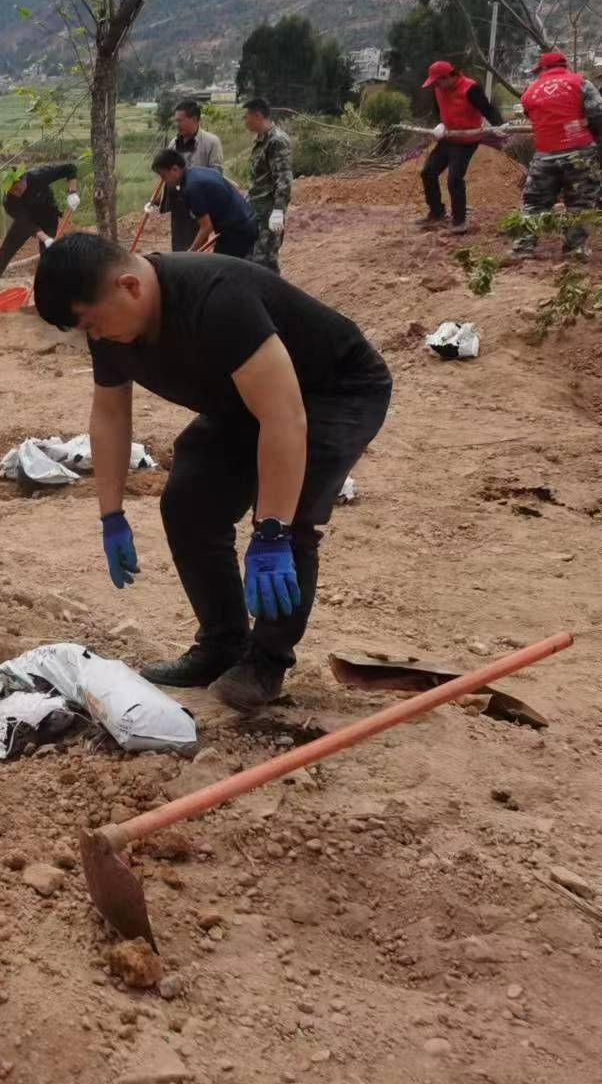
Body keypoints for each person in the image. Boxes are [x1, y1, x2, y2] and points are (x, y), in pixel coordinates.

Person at [32, 234, 391, 712]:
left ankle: (265, 664)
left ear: (129, 286)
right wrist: (111, 514)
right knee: (189, 503)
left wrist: (270, 532)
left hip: (332, 390)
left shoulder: (217, 299)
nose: (94, 338)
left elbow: (285, 418)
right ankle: (222, 644)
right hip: (244, 400)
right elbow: (111, 415)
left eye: (93, 325)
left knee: (290, 517)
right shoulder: (113, 326)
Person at [514, 49, 602, 259]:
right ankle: (574, 249)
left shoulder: (530, 91)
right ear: (564, 66)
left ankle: (525, 246)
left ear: (544, 68)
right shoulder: (581, 83)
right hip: (580, 151)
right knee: (580, 202)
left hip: (546, 152)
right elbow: (598, 114)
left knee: (534, 201)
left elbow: (530, 114)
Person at [0, 160, 81, 301]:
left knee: (46, 259)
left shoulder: (38, 176)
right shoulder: (9, 201)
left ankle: (47, 299)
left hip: (48, 217)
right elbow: (25, 224)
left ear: (24, 179)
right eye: (12, 191)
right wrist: (46, 239)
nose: (16, 193)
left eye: (17, 188)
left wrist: (72, 192)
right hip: (26, 221)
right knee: (3, 255)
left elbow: (70, 168)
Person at [416, 60, 504, 235]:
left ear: (448, 77)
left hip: (466, 140)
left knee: (454, 179)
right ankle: (437, 212)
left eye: (438, 81)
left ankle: (459, 221)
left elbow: (488, 109)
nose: (436, 85)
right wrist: (439, 125)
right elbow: (439, 111)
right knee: (428, 172)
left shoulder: (471, 88)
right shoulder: (438, 90)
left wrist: (500, 126)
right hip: (448, 137)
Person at [149, 150, 257, 259]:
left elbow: (206, 227)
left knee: (221, 269)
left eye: (163, 176)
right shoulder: (197, 171)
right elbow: (235, 188)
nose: (163, 180)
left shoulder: (191, 188)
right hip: (247, 220)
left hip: (238, 231)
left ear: (175, 169)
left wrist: (190, 252)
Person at [156, 99, 225, 252]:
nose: (177, 124)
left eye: (181, 120)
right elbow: (166, 173)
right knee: (178, 247)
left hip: (199, 206)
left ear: (194, 119)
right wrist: (158, 199)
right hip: (178, 205)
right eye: (176, 121)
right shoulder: (174, 144)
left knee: (197, 250)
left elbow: (217, 174)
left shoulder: (211, 142)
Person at [243, 98, 293, 273]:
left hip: (269, 212)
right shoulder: (261, 139)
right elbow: (260, 178)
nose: (245, 121)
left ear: (257, 116)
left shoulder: (276, 141)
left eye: (247, 116)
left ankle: (275, 299)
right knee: (252, 261)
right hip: (256, 209)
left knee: (265, 264)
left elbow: (284, 179)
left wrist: (278, 210)